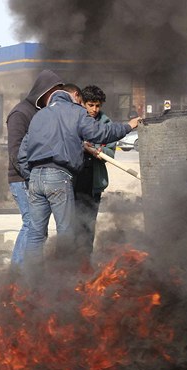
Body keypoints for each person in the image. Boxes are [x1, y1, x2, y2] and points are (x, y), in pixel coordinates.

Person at [18, 89, 141, 265]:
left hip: (35, 177)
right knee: (66, 233)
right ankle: (62, 281)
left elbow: (22, 153)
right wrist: (128, 126)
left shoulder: (39, 116)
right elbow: (101, 133)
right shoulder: (75, 112)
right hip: (59, 176)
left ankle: (29, 281)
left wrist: (31, 177)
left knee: (36, 233)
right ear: (75, 97)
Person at [6, 69, 63, 266]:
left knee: (38, 227)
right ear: (43, 91)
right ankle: (18, 271)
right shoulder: (20, 113)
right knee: (31, 224)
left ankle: (27, 271)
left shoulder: (43, 112)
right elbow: (15, 153)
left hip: (36, 178)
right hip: (23, 179)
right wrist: (30, 177)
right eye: (53, 92)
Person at [74, 85, 117, 268]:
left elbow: (110, 152)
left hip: (94, 182)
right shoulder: (74, 119)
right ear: (82, 103)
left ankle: (85, 265)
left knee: (88, 226)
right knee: (72, 226)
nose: (94, 109)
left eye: (97, 106)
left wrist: (97, 150)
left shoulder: (106, 123)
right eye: (90, 105)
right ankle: (68, 266)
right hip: (73, 181)